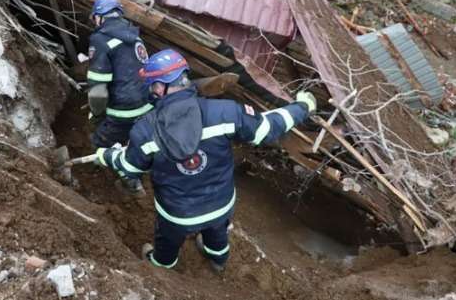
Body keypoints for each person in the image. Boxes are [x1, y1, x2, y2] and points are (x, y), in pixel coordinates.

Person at [93, 49, 316, 272]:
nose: (151, 89)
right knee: (218, 233)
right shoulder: (226, 112)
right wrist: (302, 107)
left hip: (177, 214)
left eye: (152, 85)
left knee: (167, 241)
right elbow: (267, 128)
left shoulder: (144, 131)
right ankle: (218, 259)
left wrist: (109, 156)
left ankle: (161, 266)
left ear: (160, 87)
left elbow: (130, 167)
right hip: (221, 205)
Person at [86, 0, 152, 194]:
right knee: (135, 141)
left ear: (99, 17)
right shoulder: (136, 38)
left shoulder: (100, 40)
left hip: (124, 110)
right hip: (147, 106)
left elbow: (97, 93)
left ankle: (124, 183)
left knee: (99, 142)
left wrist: (97, 115)